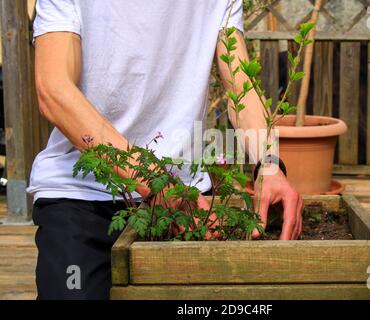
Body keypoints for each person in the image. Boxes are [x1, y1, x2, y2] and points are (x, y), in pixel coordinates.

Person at [28, 0, 303, 300]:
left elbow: (240, 85)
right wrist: (157, 184)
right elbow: (54, 90)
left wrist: (270, 164)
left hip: (188, 204)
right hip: (82, 197)